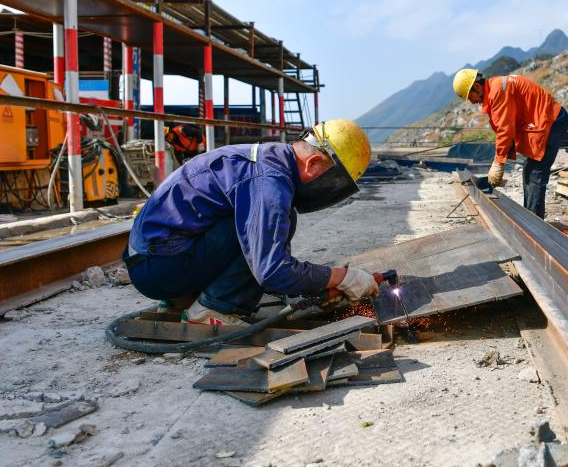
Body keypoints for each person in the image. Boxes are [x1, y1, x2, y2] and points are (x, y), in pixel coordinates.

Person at [124, 119, 381, 326]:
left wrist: (320, 281)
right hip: (157, 269)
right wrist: (341, 277)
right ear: (313, 163)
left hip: (154, 258)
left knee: (261, 224)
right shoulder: (269, 182)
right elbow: (273, 271)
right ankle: (214, 309)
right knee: (265, 233)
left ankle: (182, 298)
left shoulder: (270, 159)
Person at [453, 69, 568, 219]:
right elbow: (509, 126)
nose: (472, 101)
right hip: (545, 121)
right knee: (529, 168)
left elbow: (505, 129)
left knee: (536, 172)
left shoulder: (498, 91)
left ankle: (534, 222)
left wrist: (498, 163)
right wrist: (502, 159)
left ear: (477, 86)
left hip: (552, 121)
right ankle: (531, 216)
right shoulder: (496, 89)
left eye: (471, 96)